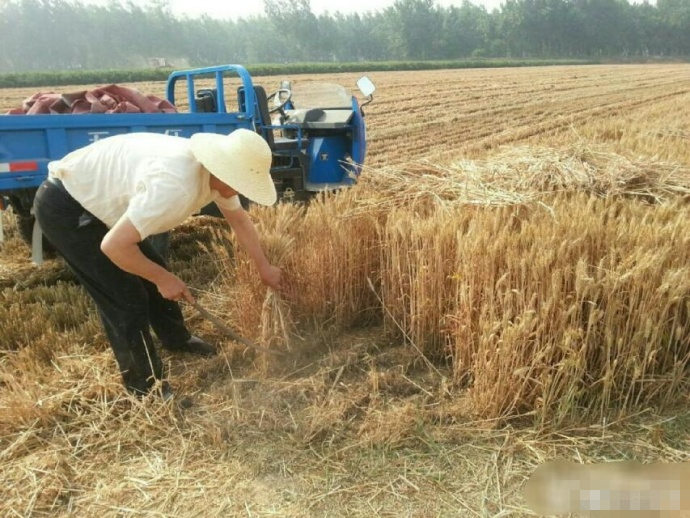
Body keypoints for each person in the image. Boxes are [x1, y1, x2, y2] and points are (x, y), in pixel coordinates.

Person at [33, 128, 281, 398]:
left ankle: (177, 339)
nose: (241, 189)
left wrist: (264, 267)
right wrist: (162, 279)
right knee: (126, 297)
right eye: (240, 182)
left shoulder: (217, 171)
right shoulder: (175, 186)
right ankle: (145, 388)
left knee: (153, 268)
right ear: (224, 170)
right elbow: (113, 246)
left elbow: (240, 221)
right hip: (68, 207)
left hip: (98, 204)